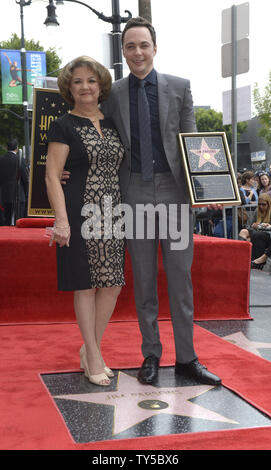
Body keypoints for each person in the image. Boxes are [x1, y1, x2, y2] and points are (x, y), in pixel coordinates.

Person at [100, 17, 221, 386]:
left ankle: (187, 358)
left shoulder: (179, 88)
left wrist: (205, 189)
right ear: (123, 51)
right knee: (145, 280)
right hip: (133, 192)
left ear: (155, 48)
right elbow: (99, 137)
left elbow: (193, 140)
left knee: (181, 277)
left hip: (175, 193)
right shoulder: (112, 92)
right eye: (130, 46)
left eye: (143, 45)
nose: (137, 52)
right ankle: (151, 353)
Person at [45, 56, 125, 386]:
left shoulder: (113, 123)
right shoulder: (63, 125)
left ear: (100, 85)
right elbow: (51, 175)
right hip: (79, 212)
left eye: (90, 81)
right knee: (85, 284)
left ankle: (88, 347)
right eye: (77, 81)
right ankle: (93, 354)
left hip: (113, 213)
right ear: (69, 88)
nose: (85, 87)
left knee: (113, 284)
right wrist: (61, 222)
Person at [0, 138, 29, 225]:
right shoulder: (20, 159)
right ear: (17, 148)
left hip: (4, 194)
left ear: (6, 147)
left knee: (6, 219)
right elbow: (25, 178)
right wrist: (27, 193)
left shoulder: (1, 159)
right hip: (19, 194)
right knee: (19, 220)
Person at [239, 193, 271, 268]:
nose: (261, 206)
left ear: (268, 204)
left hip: (267, 234)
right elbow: (249, 226)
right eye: (259, 204)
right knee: (243, 231)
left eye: (263, 204)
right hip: (257, 231)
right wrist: (253, 225)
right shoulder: (257, 210)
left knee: (257, 235)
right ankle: (240, 255)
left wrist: (269, 226)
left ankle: (257, 260)